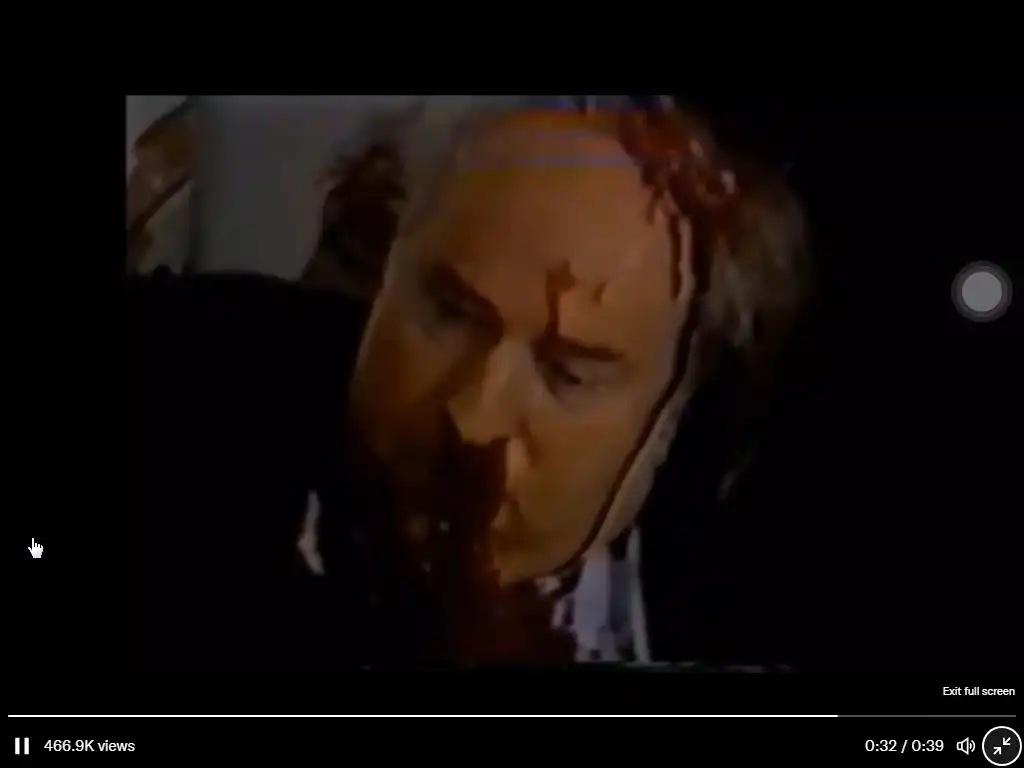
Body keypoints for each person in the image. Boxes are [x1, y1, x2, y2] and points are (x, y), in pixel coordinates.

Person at [130, 97, 810, 670]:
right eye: (449, 315)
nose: (473, 416)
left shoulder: (753, 609)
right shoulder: (189, 378)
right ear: (387, 268)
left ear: (669, 421)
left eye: (566, 373)